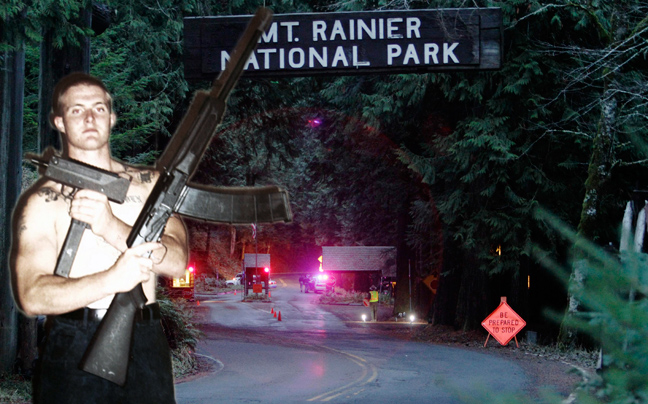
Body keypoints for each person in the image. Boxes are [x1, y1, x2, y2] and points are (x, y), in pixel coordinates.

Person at [9, 72, 189, 403]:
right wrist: (112, 280)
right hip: (72, 342)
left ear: (112, 117)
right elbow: (32, 296)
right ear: (59, 122)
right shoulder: (40, 203)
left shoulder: (150, 186)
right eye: (77, 110)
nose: (90, 118)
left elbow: (178, 262)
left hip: (144, 339)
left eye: (99, 108)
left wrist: (112, 228)